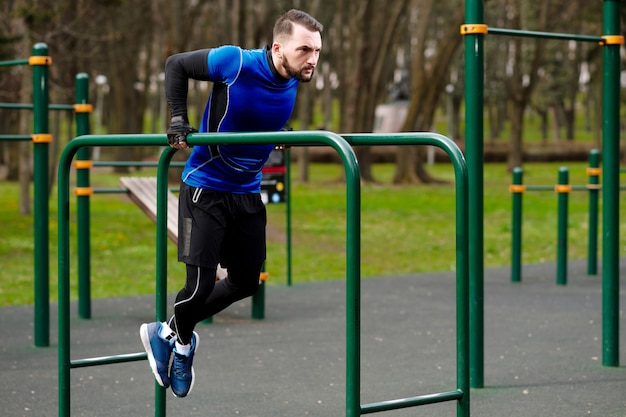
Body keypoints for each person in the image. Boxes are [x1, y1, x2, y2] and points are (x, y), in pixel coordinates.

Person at [140, 9, 323, 398]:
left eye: (317, 51)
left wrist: (277, 133)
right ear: (277, 47)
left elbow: (254, 113)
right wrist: (178, 120)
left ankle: (168, 333)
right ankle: (184, 343)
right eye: (304, 49)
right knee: (200, 285)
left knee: (246, 281)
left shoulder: (292, 77)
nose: (312, 59)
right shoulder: (235, 61)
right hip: (205, 187)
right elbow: (176, 66)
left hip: (246, 192)